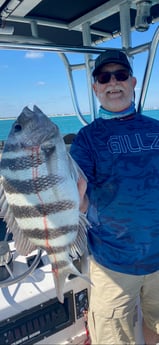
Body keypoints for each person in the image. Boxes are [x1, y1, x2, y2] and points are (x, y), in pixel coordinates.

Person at [70, 49, 159, 345]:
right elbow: (78, 202)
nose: (113, 83)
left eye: (120, 75)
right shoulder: (85, 139)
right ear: (96, 87)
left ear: (133, 82)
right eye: (104, 77)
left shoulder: (156, 129)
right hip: (112, 265)